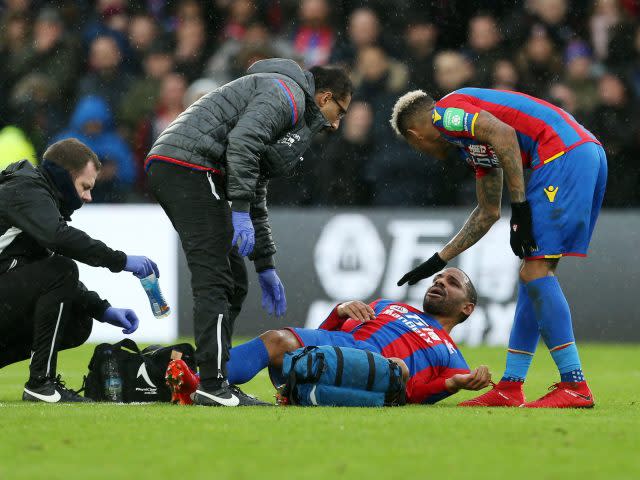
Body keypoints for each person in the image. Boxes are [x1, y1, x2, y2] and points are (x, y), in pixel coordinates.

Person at [145, 58, 352, 407]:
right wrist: (237, 212)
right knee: (216, 276)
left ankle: (216, 377)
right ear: (324, 97)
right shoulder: (285, 95)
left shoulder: (287, 105)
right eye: (340, 111)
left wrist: (265, 264)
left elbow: (253, 180)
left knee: (235, 281)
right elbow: (242, 144)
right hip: (188, 167)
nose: (336, 123)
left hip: (188, 166)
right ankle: (211, 382)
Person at [389, 87, 607, 408]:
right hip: (580, 151)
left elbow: (504, 133)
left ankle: (574, 384)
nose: (421, 151)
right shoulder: (469, 141)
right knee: (531, 276)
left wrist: (519, 207)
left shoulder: (444, 115)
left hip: (562, 153)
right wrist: (438, 259)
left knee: (535, 272)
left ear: (414, 135)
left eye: (414, 145)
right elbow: (488, 211)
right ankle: (510, 386)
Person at [167, 268, 492, 406]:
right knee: (276, 339)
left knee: (397, 370)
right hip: (345, 347)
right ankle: (199, 383)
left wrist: (457, 384)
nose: (438, 282)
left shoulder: (452, 356)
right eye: (437, 278)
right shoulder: (389, 305)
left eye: (451, 282)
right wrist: (339, 312)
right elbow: (326, 336)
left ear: (467, 307)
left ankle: (298, 392)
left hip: (378, 369)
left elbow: (414, 394)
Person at [0, 138, 159, 403]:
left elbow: (49, 273)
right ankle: (41, 384)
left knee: (79, 320)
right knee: (63, 269)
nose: (88, 197)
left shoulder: (37, 198)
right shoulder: (25, 190)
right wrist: (120, 261)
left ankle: (41, 382)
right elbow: (59, 240)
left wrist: (101, 309)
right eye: (85, 187)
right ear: (65, 176)